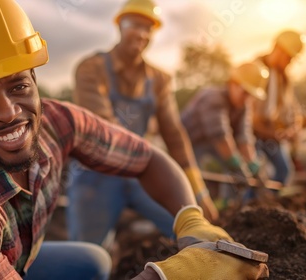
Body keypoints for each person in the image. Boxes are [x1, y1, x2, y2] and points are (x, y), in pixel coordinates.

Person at [0, 0, 268, 279]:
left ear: (35, 80)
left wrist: (192, 218)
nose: (7, 111)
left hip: (11, 258)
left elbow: (147, 157)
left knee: (90, 262)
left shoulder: (58, 120)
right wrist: (166, 275)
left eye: (17, 86)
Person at [66, 0, 219, 248]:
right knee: (90, 257)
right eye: (134, 25)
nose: (141, 33)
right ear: (119, 26)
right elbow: (106, 127)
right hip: (95, 176)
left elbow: (174, 134)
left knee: (187, 229)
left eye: (148, 28)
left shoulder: (159, 80)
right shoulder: (91, 69)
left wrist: (198, 192)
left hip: (140, 172)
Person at [180, 62, 269, 203]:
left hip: (210, 143)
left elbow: (244, 138)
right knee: (190, 178)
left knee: (237, 173)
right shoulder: (213, 98)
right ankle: (190, 206)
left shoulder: (243, 106)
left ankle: (232, 207)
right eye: (245, 92)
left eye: (251, 95)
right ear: (233, 84)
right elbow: (220, 137)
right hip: (187, 142)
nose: (247, 98)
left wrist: (252, 166)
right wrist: (238, 166)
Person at [252, 30, 306, 186]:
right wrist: (273, 134)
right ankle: (247, 206)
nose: (290, 62)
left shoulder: (283, 78)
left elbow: (293, 109)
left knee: (284, 171)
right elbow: (248, 117)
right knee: (254, 176)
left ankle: (269, 205)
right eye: (289, 57)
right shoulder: (255, 70)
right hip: (251, 135)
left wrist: (294, 127)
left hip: (271, 135)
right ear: (279, 48)